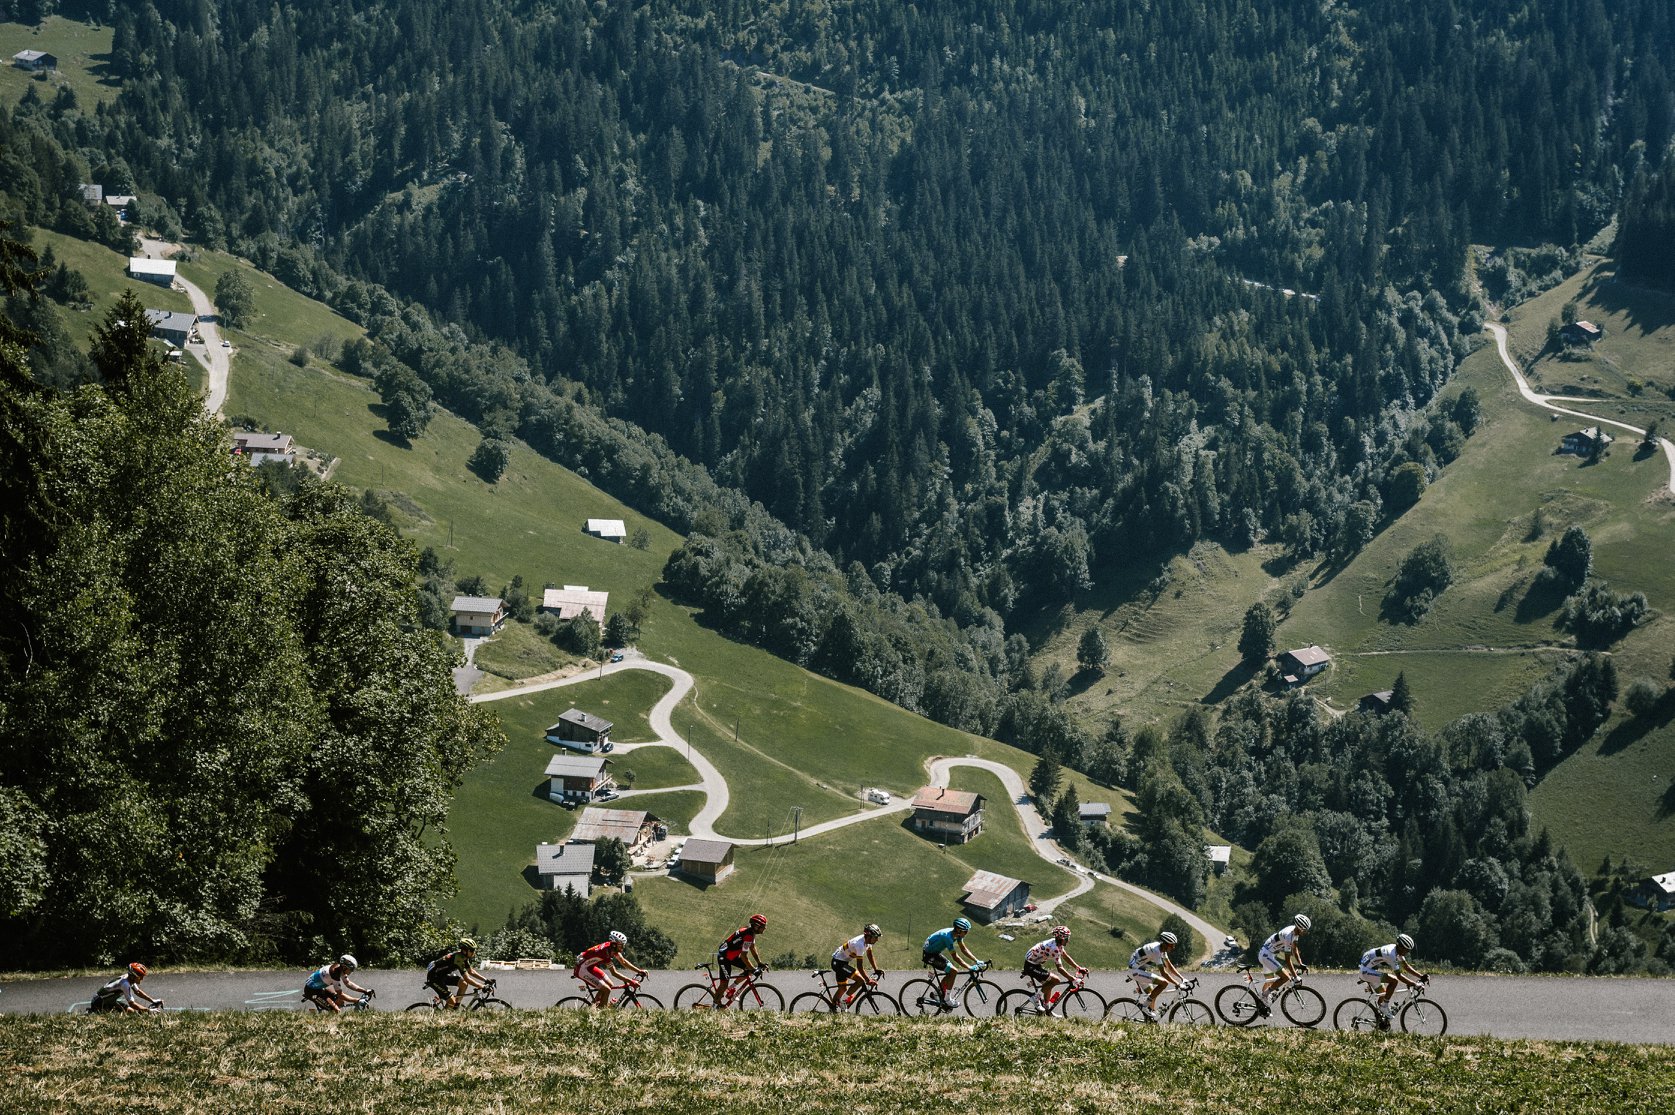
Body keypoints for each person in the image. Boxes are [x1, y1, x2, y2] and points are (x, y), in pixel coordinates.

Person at [1358, 933, 1427, 1029]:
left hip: (1370, 968)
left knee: (1383, 993)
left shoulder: (1397, 950)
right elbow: (1399, 976)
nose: (1407, 953)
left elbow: (1406, 966)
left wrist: (1421, 976)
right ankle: (1384, 1007)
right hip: (1366, 971)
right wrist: (1414, 984)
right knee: (1394, 981)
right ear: (1400, 947)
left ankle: (1380, 1019)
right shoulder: (1391, 954)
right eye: (1406, 950)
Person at [921, 917, 985, 1012]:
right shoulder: (947, 937)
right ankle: (947, 1000)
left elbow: (963, 949)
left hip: (935, 953)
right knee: (953, 971)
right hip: (929, 955)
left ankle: (936, 993)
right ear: (959, 930)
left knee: (950, 972)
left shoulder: (957, 935)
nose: (966, 933)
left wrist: (976, 960)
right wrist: (970, 967)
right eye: (965, 931)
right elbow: (955, 957)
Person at [1020, 925, 1086, 1015]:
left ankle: (1047, 1011)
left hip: (1035, 964)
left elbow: (1065, 956)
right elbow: (1060, 969)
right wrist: (1073, 979)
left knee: (1049, 984)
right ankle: (1035, 998)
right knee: (1056, 980)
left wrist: (1078, 968)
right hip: (1031, 966)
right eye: (1066, 939)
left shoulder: (1057, 944)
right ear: (1061, 938)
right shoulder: (1054, 948)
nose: (1068, 940)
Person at [573, 930, 648, 1008]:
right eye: (621, 945)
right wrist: (631, 981)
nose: (622, 948)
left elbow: (623, 962)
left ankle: (594, 1007)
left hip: (589, 967)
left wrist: (639, 971)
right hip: (582, 969)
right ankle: (602, 1011)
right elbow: (614, 973)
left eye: (623, 945)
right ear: (614, 945)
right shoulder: (605, 953)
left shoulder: (611, 948)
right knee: (606, 989)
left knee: (610, 984)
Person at [1254, 913, 1311, 1013]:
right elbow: (1287, 960)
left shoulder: (1295, 931)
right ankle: (1264, 996)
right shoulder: (1288, 936)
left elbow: (1295, 948)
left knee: (1270, 982)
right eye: (1305, 930)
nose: (1306, 932)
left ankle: (1261, 1005)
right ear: (1300, 928)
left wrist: (1300, 964)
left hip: (1268, 953)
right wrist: (1295, 976)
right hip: (1266, 955)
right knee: (1285, 977)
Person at [1127, 930, 1184, 1022]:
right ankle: (1145, 1007)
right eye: (1171, 945)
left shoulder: (1162, 949)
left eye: (1174, 945)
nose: (1173, 947)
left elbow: (1169, 967)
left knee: (1152, 995)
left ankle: (1150, 1021)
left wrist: (1182, 978)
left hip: (1139, 970)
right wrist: (1177, 983)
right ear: (1165, 944)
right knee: (1164, 983)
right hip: (1135, 971)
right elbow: (1163, 973)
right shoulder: (1156, 951)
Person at [425, 937, 490, 1009]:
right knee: (452, 1002)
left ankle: (455, 1007)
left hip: (442, 974)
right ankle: (445, 1015)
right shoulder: (458, 959)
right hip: (434, 977)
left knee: (463, 984)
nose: (474, 952)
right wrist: (482, 986)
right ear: (465, 951)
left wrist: (486, 980)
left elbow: (471, 971)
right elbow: (467, 978)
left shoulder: (463, 957)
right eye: (472, 950)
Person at [716, 914, 769, 1001]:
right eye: (763, 926)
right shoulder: (748, 935)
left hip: (731, 955)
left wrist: (759, 963)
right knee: (723, 984)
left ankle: (730, 988)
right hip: (724, 957)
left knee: (749, 971)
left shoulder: (751, 932)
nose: (765, 928)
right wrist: (753, 969)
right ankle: (715, 1007)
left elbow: (752, 947)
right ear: (756, 926)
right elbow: (744, 956)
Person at [831, 924, 885, 1004]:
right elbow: (860, 967)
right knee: (860, 980)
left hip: (841, 962)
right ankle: (843, 1001)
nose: (877, 940)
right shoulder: (859, 944)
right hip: (838, 963)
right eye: (876, 937)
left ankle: (833, 1008)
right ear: (869, 936)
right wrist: (868, 980)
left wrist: (876, 969)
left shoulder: (867, 941)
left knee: (842, 989)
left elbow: (870, 955)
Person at [303, 954, 374, 1012]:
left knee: (340, 1002)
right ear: (344, 967)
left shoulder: (339, 968)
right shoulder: (334, 974)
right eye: (351, 969)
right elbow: (341, 995)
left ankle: (322, 1009)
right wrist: (357, 1000)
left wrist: (364, 990)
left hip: (319, 988)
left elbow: (348, 983)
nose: (351, 971)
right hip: (311, 991)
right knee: (336, 1010)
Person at [90, 962, 163, 1014]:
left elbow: (137, 992)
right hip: (99, 1002)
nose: (142, 979)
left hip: (109, 1000)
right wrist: (148, 1010)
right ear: (133, 976)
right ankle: (94, 1011)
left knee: (131, 1011)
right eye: (140, 977)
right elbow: (132, 1004)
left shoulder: (129, 978)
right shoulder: (125, 984)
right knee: (131, 1012)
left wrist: (153, 1000)